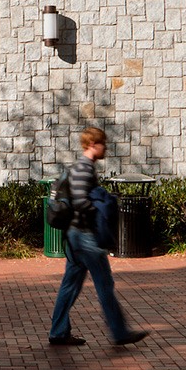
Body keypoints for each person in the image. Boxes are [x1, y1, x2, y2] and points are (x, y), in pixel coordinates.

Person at [46, 125, 147, 349]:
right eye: (103, 144)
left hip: (75, 237)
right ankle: (119, 332)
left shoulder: (80, 167)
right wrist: (101, 208)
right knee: (104, 284)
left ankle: (58, 332)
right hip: (85, 237)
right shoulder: (84, 168)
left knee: (70, 286)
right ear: (93, 144)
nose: (106, 148)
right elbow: (81, 201)